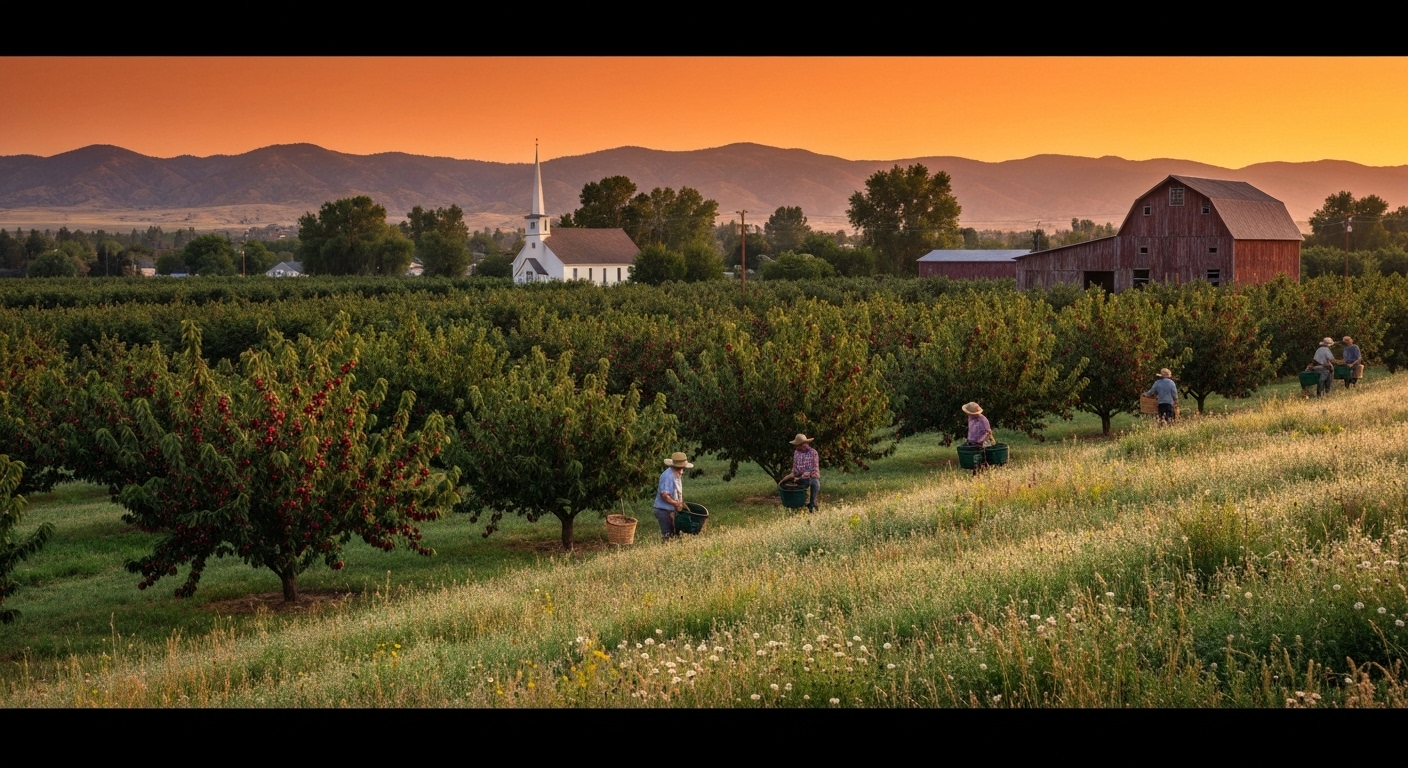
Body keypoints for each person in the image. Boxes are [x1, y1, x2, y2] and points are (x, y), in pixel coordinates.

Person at [654, 452, 691, 541]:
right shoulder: (668, 476)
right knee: (668, 535)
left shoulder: (677, 474)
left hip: (671, 509)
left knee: (676, 534)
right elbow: (665, 495)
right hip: (664, 510)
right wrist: (676, 504)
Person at [780, 434, 820, 513]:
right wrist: (785, 479)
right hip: (799, 478)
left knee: (815, 483)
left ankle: (812, 504)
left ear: (803, 444)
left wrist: (801, 477)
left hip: (810, 478)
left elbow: (814, 471)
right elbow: (795, 470)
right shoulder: (796, 453)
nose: (797, 447)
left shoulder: (813, 453)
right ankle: (794, 505)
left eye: (798, 445)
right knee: (787, 485)